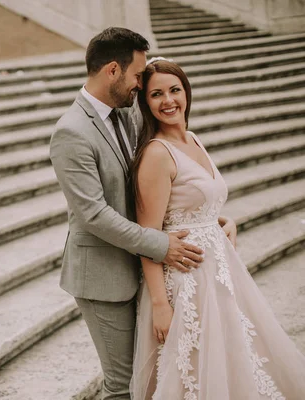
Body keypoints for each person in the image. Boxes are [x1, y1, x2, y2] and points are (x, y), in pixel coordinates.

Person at [49, 27, 236, 399]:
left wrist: (207, 221)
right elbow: (93, 214)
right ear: (113, 70)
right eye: (137, 76)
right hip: (104, 277)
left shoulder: (125, 114)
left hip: (144, 265)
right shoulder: (71, 132)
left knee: (155, 375)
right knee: (123, 385)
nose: (140, 84)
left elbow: (155, 192)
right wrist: (160, 244)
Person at [130, 57, 305, 399]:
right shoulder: (156, 154)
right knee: (194, 372)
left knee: (235, 362)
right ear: (145, 103)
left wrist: (225, 222)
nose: (168, 101)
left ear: (186, 92)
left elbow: (200, 202)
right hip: (186, 282)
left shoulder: (192, 139)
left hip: (220, 273)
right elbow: (147, 236)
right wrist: (161, 305)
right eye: (156, 95)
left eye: (175, 90)